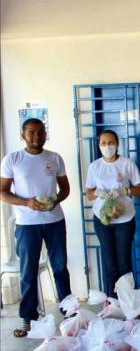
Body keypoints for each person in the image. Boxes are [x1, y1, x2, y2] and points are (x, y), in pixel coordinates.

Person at [0, 118, 72, 337]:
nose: (36, 136)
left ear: (45, 134)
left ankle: (69, 313)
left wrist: (55, 200)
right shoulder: (13, 159)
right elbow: (2, 192)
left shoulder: (54, 158)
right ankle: (27, 319)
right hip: (26, 225)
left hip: (54, 221)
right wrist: (27, 203)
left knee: (60, 267)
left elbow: (65, 189)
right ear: (23, 135)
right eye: (31, 132)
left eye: (40, 132)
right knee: (28, 272)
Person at [85, 130, 140, 297]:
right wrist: (97, 193)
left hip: (125, 220)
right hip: (102, 220)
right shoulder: (94, 166)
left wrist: (125, 190)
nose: (107, 146)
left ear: (117, 144)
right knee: (110, 263)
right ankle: (112, 301)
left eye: (111, 142)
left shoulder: (127, 164)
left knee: (124, 262)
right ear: (99, 146)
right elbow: (88, 194)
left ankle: (128, 300)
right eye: (103, 143)